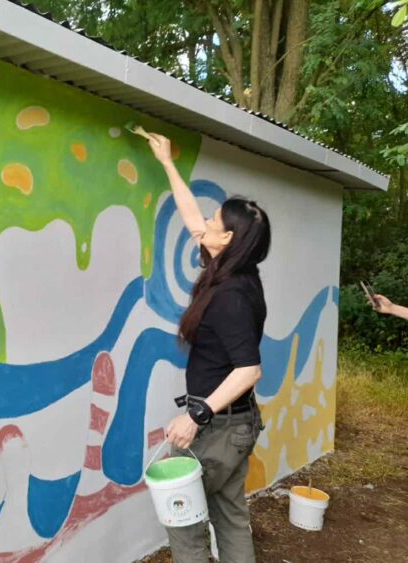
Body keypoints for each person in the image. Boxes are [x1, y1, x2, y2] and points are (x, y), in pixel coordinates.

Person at [147, 133, 271, 563]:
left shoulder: (231, 294)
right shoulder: (238, 269)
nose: (204, 224)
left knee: (184, 524)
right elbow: (193, 222)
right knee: (230, 516)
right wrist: (167, 163)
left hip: (215, 430)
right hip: (235, 426)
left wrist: (196, 415)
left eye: (214, 222)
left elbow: (249, 370)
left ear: (228, 237)